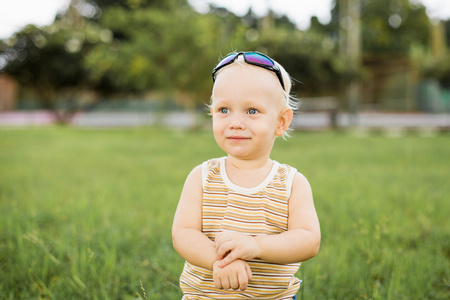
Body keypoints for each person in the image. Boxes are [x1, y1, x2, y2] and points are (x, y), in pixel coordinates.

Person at [172, 51, 321, 299]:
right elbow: (183, 233)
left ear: (281, 122)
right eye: (224, 110)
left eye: (252, 111)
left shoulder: (292, 184)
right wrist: (219, 262)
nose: (236, 122)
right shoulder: (202, 177)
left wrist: (256, 245)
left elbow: (308, 240)